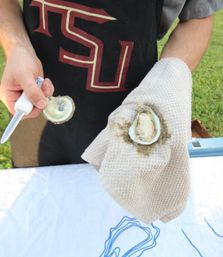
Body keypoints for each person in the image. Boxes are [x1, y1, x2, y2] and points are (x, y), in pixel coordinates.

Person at [0, 0, 222, 167]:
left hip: (129, 117)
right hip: (36, 109)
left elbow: (197, 16)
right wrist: (16, 45)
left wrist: (164, 81)